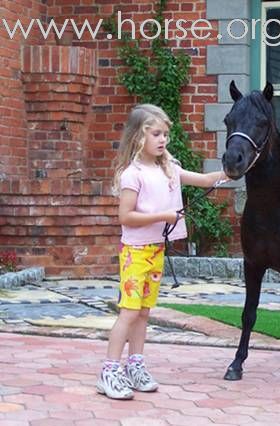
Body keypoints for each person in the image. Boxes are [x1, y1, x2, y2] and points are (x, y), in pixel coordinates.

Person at [96, 104, 228, 400]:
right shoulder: (133, 174)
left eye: (165, 134)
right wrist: (163, 216)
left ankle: (135, 365)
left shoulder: (168, 169)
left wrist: (230, 172)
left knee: (143, 313)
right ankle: (109, 371)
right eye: (156, 133)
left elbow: (205, 180)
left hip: (155, 251)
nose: (162, 139)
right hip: (135, 252)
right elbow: (125, 217)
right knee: (128, 313)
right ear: (137, 137)